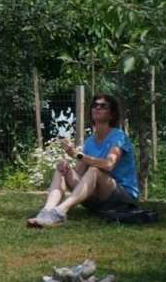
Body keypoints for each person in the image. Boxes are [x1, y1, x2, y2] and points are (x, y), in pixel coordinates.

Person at [29, 93, 139, 227]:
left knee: (94, 170)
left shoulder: (119, 137)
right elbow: (78, 174)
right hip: (97, 199)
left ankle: (60, 211)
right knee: (62, 168)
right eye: (95, 105)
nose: (97, 108)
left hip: (122, 198)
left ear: (112, 114)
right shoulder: (90, 142)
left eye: (103, 106)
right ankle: (47, 211)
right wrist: (67, 168)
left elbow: (109, 164)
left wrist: (78, 155)